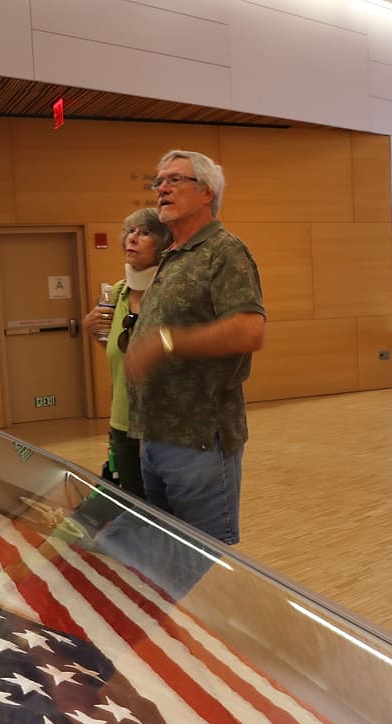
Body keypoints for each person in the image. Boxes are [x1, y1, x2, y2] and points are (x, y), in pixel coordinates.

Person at [123, 150, 266, 545]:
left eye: (174, 180)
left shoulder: (224, 251)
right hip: (157, 437)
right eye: (159, 182)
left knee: (202, 558)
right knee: (166, 553)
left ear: (207, 192)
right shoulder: (173, 256)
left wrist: (166, 343)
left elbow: (249, 330)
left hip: (199, 440)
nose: (161, 189)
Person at [81, 208, 172, 498]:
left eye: (145, 233)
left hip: (163, 425)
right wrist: (92, 330)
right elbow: (122, 355)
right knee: (134, 504)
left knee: (164, 508)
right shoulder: (118, 293)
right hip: (122, 421)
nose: (132, 238)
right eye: (131, 232)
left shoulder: (171, 294)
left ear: (164, 244)